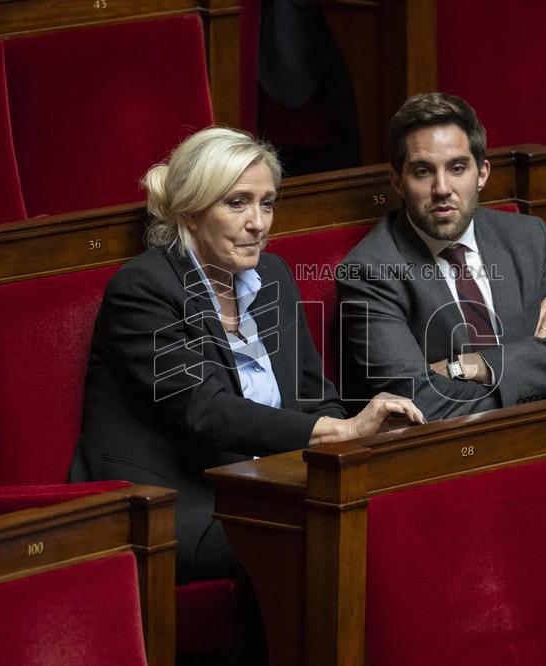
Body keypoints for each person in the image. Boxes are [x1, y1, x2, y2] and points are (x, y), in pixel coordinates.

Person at [70, 127, 423, 584]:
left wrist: (354, 445)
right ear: (190, 212)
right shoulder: (142, 290)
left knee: (404, 512)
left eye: (268, 202)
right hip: (168, 503)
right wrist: (342, 429)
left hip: (267, 487)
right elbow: (206, 411)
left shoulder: (271, 275)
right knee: (328, 539)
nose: (258, 222)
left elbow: (315, 398)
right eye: (237, 203)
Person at [336, 93, 546, 421]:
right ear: (398, 182)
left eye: (457, 167)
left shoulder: (525, 237)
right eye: (422, 171)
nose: (442, 188)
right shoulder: (370, 270)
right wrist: (535, 366)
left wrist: (472, 366)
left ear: (482, 174)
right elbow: (416, 402)